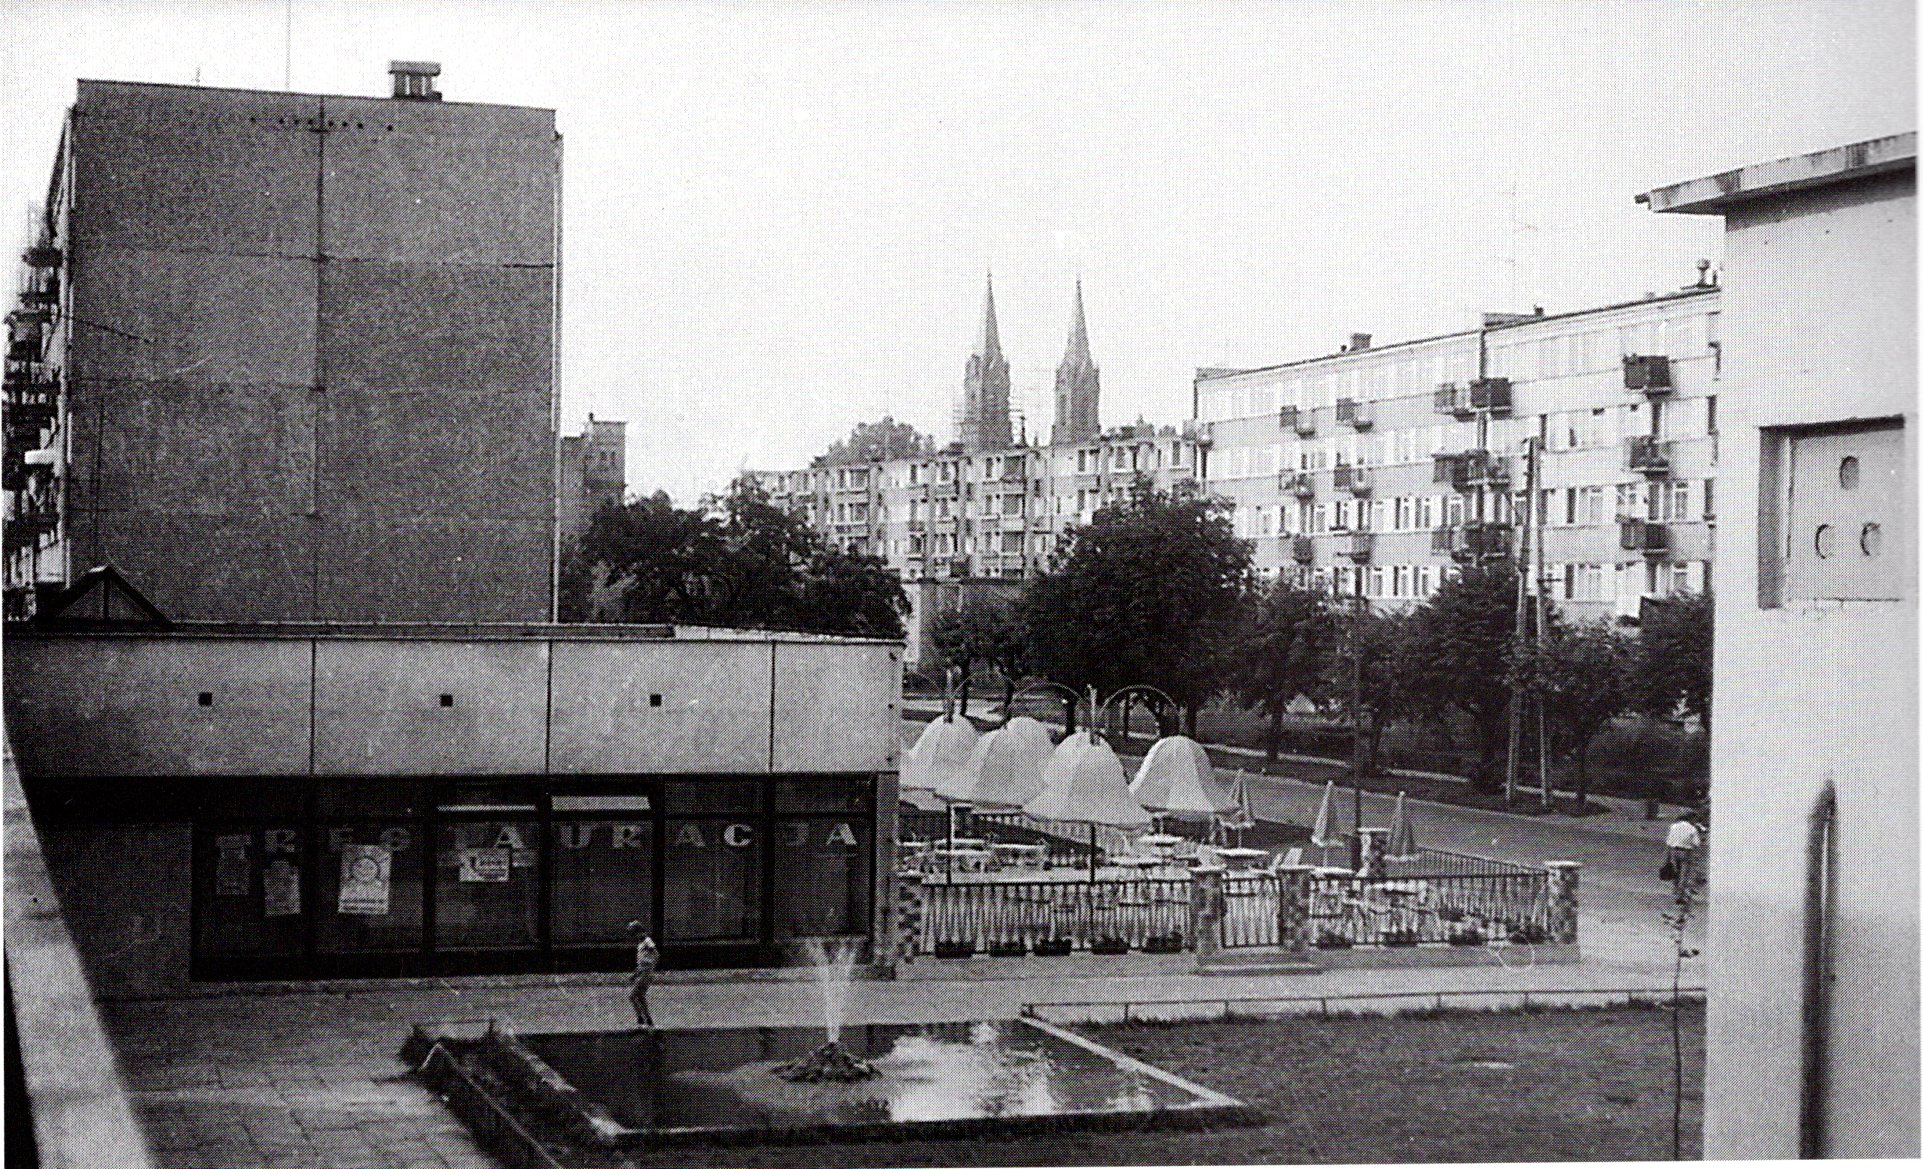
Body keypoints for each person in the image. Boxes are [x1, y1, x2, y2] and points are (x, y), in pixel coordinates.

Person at [626, 922, 658, 1028]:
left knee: (632, 996)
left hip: (646, 973)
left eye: (634, 933)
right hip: (643, 972)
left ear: (639, 931)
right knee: (640, 997)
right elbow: (641, 962)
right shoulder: (640, 944)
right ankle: (648, 1021)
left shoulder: (647, 941)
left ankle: (640, 1020)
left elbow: (656, 954)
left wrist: (650, 966)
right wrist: (635, 974)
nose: (634, 936)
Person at [1665, 814, 1703, 887]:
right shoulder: (1692, 828)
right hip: (1686, 852)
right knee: (1685, 871)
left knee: (1676, 869)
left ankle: (1675, 886)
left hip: (1674, 850)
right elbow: (1696, 843)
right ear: (1691, 819)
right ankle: (1681, 887)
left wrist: (1668, 854)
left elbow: (1669, 841)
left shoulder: (1673, 826)